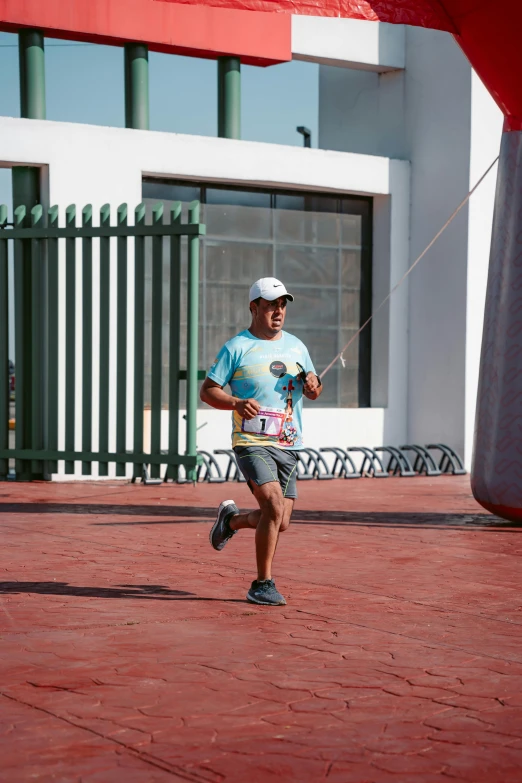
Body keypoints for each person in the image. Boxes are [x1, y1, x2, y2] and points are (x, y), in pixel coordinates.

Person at [200, 277, 323, 606]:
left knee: (280, 521)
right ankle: (262, 584)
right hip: (251, 441)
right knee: (271, 505)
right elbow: (207, 390)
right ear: (254, 308)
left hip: (289, 445)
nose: (278, 311)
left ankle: (232, 521)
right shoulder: (236, 347)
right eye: (270, 305)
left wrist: (313, 385)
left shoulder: (297, 347)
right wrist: (235, 403)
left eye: (282, 305)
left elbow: (313, 387)